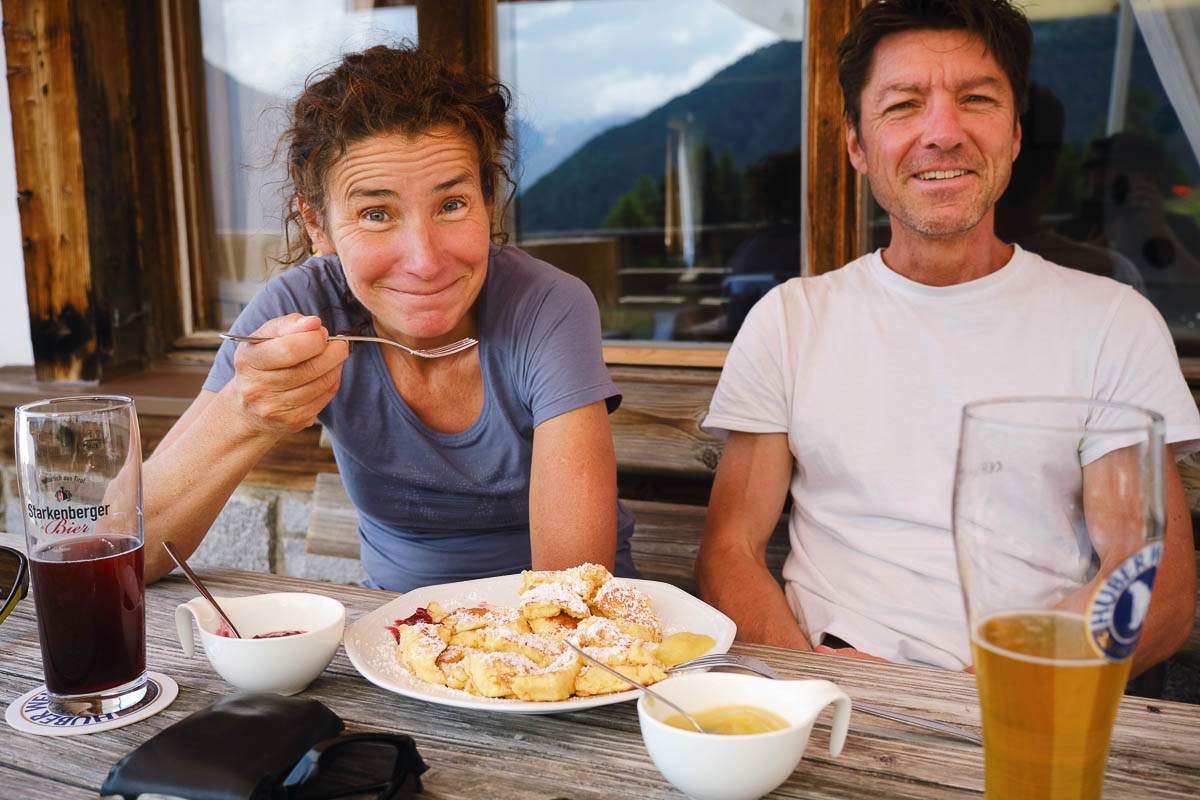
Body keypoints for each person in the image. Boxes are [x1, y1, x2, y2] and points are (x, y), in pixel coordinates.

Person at [696, 0, 1199, 675]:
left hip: (1026, 692)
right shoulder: (792, 320)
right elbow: (729, 551)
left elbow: (1153, 584)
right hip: (826, 687)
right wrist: (820, 690)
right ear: (856, 146)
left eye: (977, 99)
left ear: (1014, 136)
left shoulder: (1109, 321)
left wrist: (984, 691)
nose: (943, 131)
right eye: (904, 105)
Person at [142, 44, 636, 591]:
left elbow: (570, 595)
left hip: (562, 643)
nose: (425, 261)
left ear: (487, 199)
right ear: (317, 226)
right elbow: (135, 553)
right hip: (397, 638)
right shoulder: (301, 309)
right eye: (376, 214)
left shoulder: (548, 306)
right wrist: (245, 412)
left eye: (452, 205)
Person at [993, 83, 1145, 292]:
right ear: (1052, 167)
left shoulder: (941, 274)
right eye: (1096, 171)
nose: (1102, 182)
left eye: (1118, 183)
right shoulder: (1112, 273)